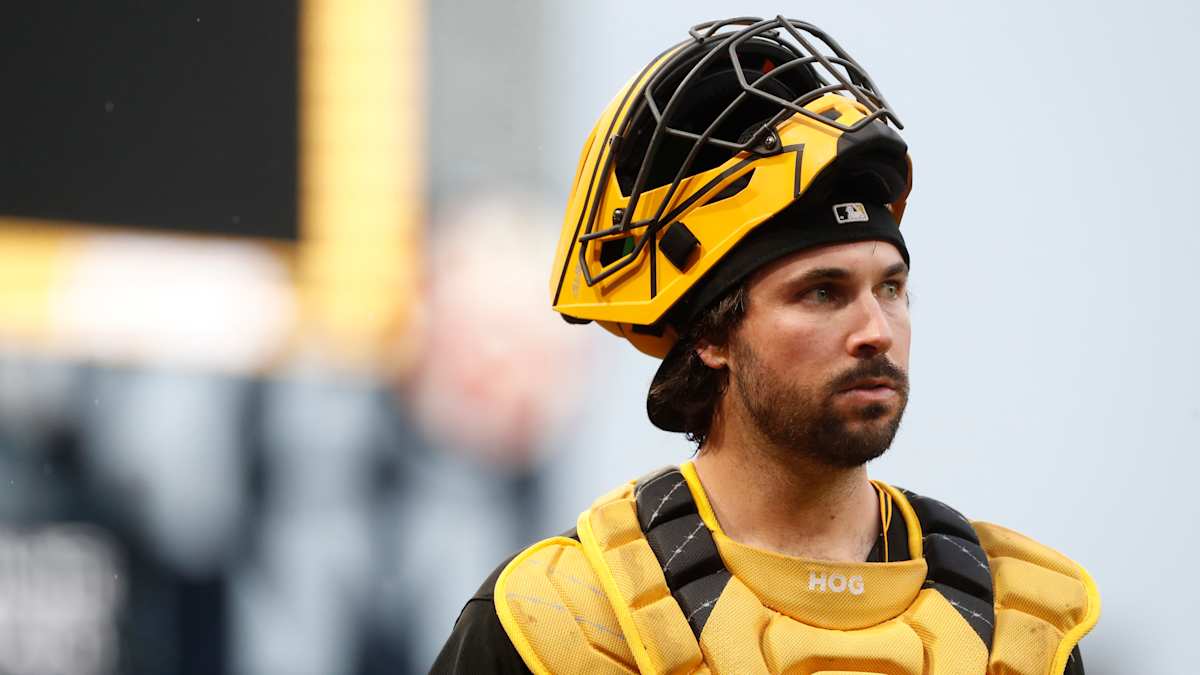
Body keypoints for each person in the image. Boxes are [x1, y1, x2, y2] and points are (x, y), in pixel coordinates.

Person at [433, 16, 1099, 675]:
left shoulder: (1020, 627)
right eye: (822, 293)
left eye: (891, 288)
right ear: (713, 335)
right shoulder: (561, 623)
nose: (875, 329)